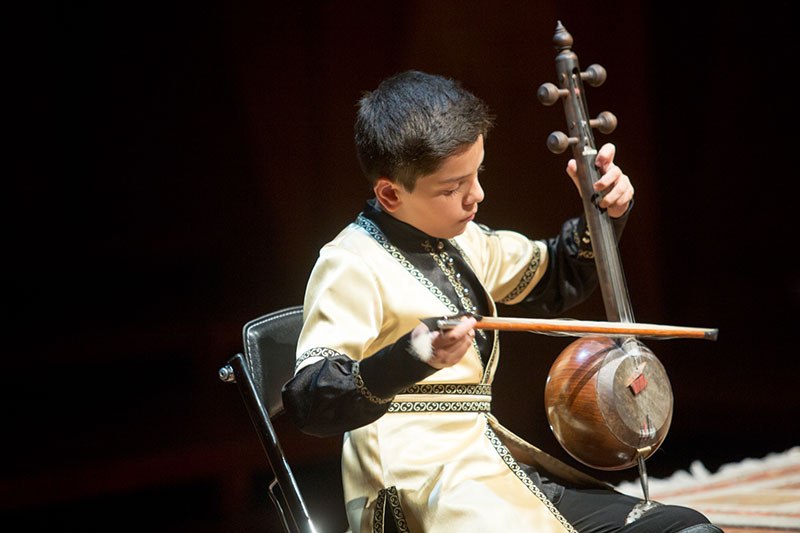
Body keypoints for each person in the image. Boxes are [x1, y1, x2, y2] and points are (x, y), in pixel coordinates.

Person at [282, 70, 721, 532]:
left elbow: (556, 274)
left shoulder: (463, 239)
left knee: (686, 528)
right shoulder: (350, 263)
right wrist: (410, 356)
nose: (477, 196)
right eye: (452, 188)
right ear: (390, 193)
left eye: (477, 174)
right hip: (417, 487)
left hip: (488, 468)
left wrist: (604, 210)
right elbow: (311, 398)